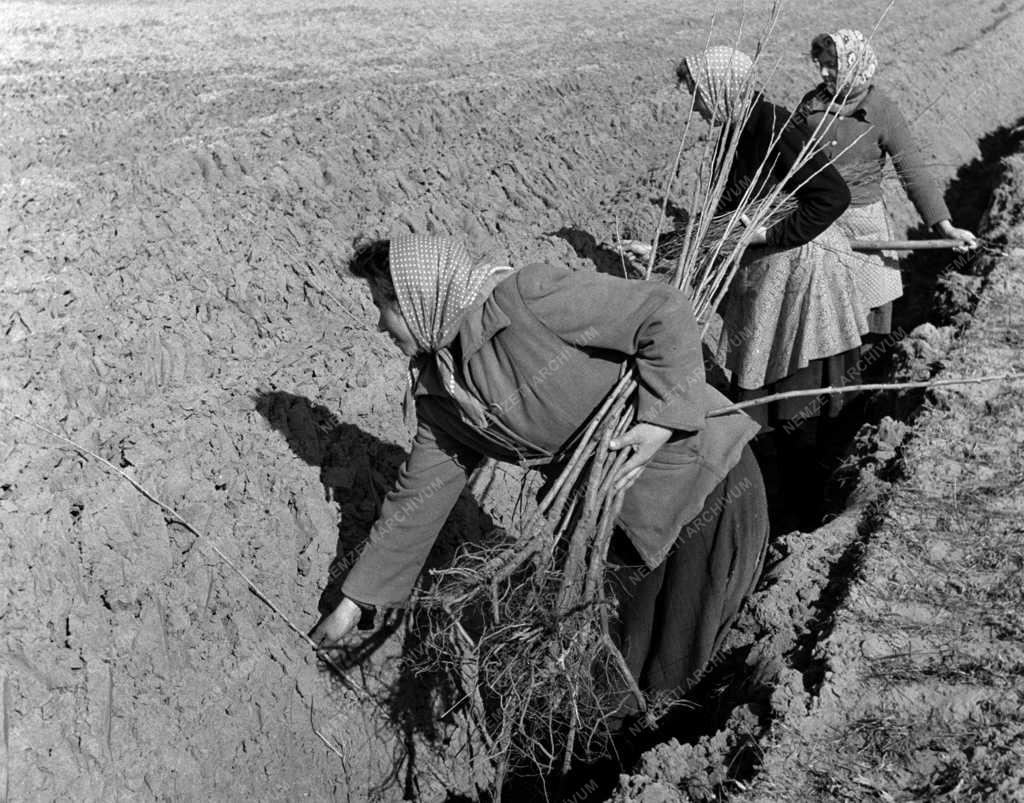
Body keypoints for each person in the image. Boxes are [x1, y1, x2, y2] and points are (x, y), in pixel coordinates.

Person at [310, 234, 769, 710]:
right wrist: (353, 602)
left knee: (673, 663)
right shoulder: (443, 395)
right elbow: (417, 501)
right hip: (615, 517)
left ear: (414, 298)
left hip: (701, 484)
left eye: (383, 305)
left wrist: (659, 419)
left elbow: (662, 310)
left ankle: (667, 768)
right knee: (626, 671)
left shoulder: (525, 297)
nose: (380, 325)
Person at [678, 46, 865, 529]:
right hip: (769, 280)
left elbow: (833, 196)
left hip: (801, 281)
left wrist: (767, 235)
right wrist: (670, 248)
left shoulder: (776, 128)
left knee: (795, 403)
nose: (694, 105)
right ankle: (782, 502)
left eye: (697, 93)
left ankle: (802, 516)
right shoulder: (737, 132)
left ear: (719, 89)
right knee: (771, 396)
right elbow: (723, 212)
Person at [798, 29, 978, 336]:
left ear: (857, 66)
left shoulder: (882, 111)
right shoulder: (811, 106)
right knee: (817, 322)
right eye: (821, 64)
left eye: (833, 65)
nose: (824, 72)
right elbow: (782, 158)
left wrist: (945, 227)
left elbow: (914, 172)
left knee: (866, 322)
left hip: (864, 229)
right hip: (815, 226)